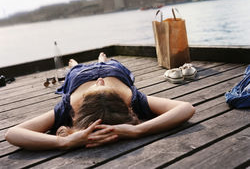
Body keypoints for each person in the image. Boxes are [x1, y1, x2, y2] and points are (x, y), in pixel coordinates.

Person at [5, 53, 195, 150]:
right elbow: (185, 108)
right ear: (126, 105)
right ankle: (100, 60)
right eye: (102, 86)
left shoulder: (68, 106)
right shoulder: (132, 99)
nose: (99, 81)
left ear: (78, 108)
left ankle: (77, 65)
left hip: (79, 78)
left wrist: (64, 142)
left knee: (74, 70)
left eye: (97, 86)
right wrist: (137, 129)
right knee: (109, 63)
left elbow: (13, 133)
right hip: (114, 72)